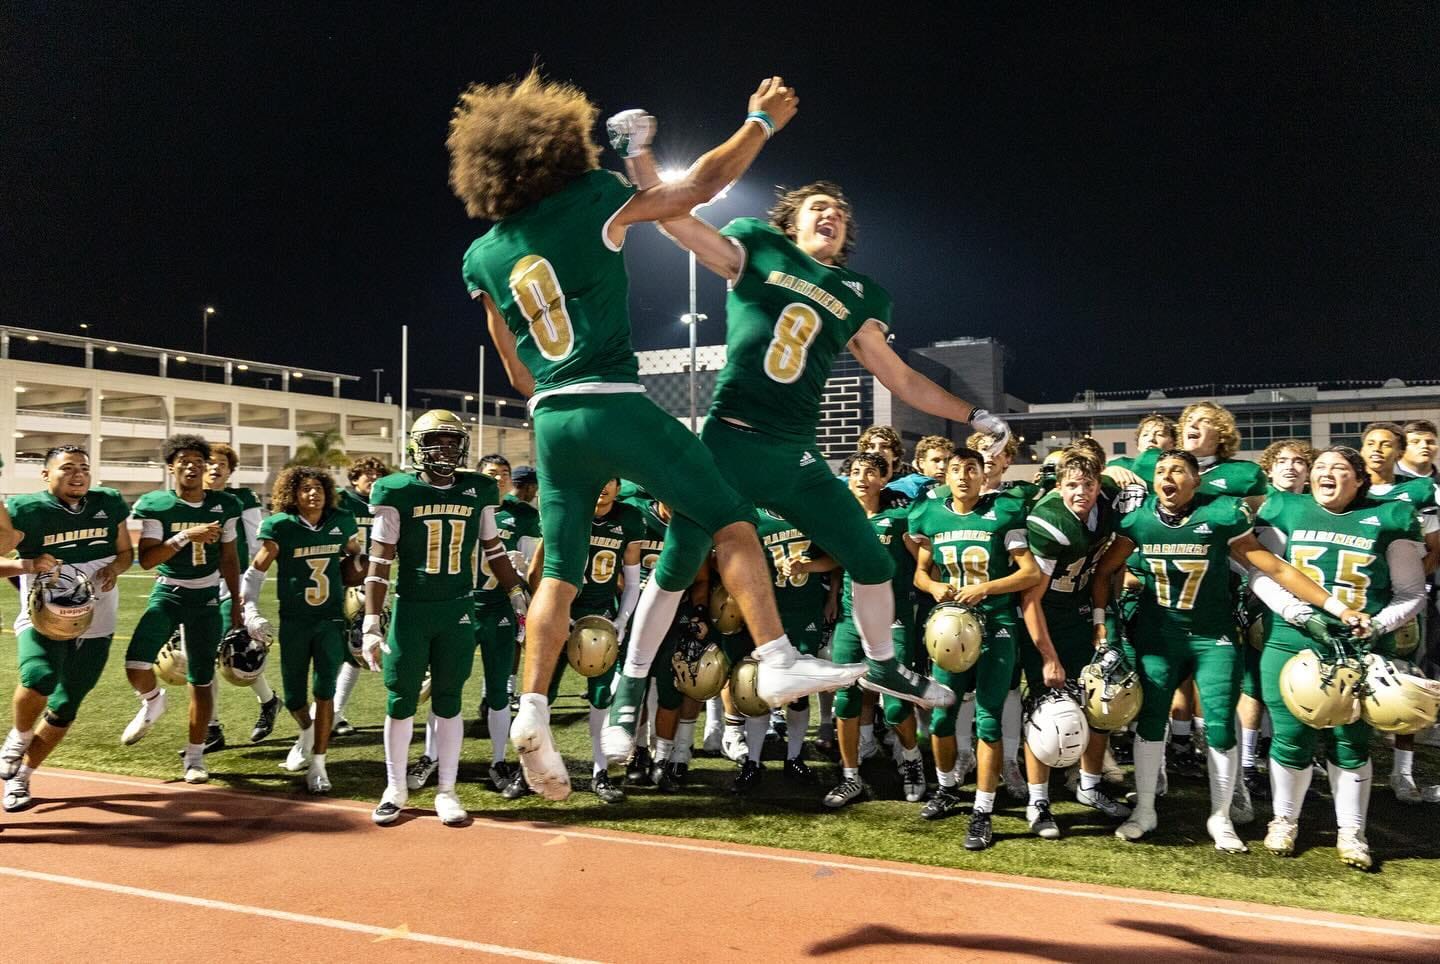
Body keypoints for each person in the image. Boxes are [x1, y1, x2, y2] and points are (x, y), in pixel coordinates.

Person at [451, 71, 860, 802]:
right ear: (555, 149)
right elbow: (699, 187)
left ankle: (533, 707)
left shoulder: (481, 254)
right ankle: (777, 656)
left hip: (550, 419)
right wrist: (761, 121)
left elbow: (514, 370)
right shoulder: (592, 197)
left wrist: (556, 385)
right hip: (614, 400)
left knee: (559, 573)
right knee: (731, 518)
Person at [607, 143, 1018, 765]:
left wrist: (975, 415)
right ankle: (629, 689)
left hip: (795, 453)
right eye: (819, 207)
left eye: (841, 213)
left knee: (869, 558)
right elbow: (674, 219)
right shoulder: (756, 247)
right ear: (790, 221)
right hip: (729, 440)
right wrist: (640, 157)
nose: (833, 215)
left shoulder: (858, 293)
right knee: (679, 560)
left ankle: (884, 665)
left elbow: (901, 378)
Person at [1090, 450, 1363, 851]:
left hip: (1212, 636)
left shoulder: (1220, 515)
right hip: (1159, 636)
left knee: (1219, 724)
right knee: (1150, 720)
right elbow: (1104, 572)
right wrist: (1103, 622)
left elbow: (1275, 567)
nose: (1168, 476)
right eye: (1162, 470)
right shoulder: (1139, 520)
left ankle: (1220, 816)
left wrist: (1336, 608)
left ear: (1196, 481)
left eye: (1178, 471)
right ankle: (1144, 810)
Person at [1250, 446, 1427, 867]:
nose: (1326, 473)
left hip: (1361, 643)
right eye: (1320, 467)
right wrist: (1299, 613)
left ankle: (1352, 830)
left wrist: (1377, 625)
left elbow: (1411, 592)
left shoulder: (1389, 517)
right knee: (1291, 735)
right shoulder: (1286, 508)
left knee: (1351, 740)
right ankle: (1284, 819)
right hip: (1292, 638)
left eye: (1339, 468)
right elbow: (1262, 571)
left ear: (1359, 479)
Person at [360, 411, 527, 825]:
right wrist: (371, 623)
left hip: (457, 608)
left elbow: (494, 550)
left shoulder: (478, 489)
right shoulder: (397, 490)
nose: (447, 450)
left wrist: (517, 594)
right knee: (400, 700)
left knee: (450, 700)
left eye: (454, 442)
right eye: (438, 441)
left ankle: (447, 790)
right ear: (417, 446)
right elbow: (379, 564)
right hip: (412, 609)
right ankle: (394, 787)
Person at [909, 448, 1042, 849]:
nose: (964, 476)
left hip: (996, 625)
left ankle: (983, 810)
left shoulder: (1002, 512)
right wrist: (934, 586)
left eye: (971, 469)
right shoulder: (930, 515)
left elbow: (1030, 573)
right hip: (951, 628)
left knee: (987, 719)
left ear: (984, 475)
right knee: (940, 718)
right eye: (956, 469)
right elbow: (920, 573)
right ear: (946, 476)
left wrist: (986, 588)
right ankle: (947, 788)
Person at [0, 446, 132, 811]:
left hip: (97, 618)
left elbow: (125, 553)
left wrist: (115, 568)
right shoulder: (25, 510)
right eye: (68, 468)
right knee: (39, 676)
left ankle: (22, 778)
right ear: (46, 475)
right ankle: (18, 737)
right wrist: (27, 565)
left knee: (65, 705)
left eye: (84, 468)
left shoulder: (108, 502)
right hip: (43, 614)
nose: (78, 474)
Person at [792, 453, 924, 808]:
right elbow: (835, 559)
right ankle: (850, 776)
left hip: (893, 620)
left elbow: (924, 561)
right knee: (845, 700)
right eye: (855, 472)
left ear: (884, 480)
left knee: (895, 703)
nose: (862, 478)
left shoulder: (899, 519)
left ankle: (911, 758)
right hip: (852, 619)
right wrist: (805, 566)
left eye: (870, 472)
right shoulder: (843, 519)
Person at [1019, 452, 1133, 830]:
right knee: (1047, 710)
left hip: (1079, 612)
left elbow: (1126, 477)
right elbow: (1030, 599)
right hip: (1045, 617)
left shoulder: (1105, 498)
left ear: (1098, 486)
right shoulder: (1049, 522)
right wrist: (1048, 656)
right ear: (1058, 487)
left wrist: (1121, 468)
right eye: (1071, 486)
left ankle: (1089, 785)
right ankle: (1038, 801)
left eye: (1088, 485)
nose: (1080, 492)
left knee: (1099, 702)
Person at [123, 434, 244, 784]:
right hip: (169, 592)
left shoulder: (224, 505)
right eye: (184, 461)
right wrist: (184, 536)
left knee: (201, 680)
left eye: (198, 461)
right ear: (170, 467)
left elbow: (229, 557)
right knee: (136, 663)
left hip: (206, 598)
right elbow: (148, 560)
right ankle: (152, 700)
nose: (192, 466)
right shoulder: (157, 504)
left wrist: (237, 602)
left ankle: (195, 756)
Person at [240, 467, 364, 793]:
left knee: (324, 691)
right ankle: (307, 731)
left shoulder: (341, 521)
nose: (313, 493)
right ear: (292, 494)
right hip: (295, 621)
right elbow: (255, 572)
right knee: (295, 696)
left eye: (318, 488)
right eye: (306, 489)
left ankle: (319, 763)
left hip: (330, 620)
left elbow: (357, 558)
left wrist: (363, 579)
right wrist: (250, 610)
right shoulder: (281, 526)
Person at [523, 479, 645, 803]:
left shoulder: (628, 519)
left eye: (610, 481)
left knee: (600, 698)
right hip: (561, 614)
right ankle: (533, 769)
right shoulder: (568, 510)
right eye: (598, 479)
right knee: (541, 696)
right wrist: (548, 614)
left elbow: (633, 581)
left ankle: (600, 773)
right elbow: (538, 571)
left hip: (600, 618)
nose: (602, 486)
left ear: (618, 486)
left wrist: (621, 621)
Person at [1356, 421, 1440, 803]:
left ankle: (1402, 773)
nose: (1377, 449)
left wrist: (1407, 588)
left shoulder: (1418, 491)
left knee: (1406, 681)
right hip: (1357, 600)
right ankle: (1345, 762)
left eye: (1386, 444)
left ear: (1399, 452)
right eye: (1371, 443)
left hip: (1402, 602)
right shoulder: (1349, 486)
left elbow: (1435, 547)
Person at [204, 442, 280, 749]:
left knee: (228, 651)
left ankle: (212, 728)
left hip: (228, 585)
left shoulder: (242, 498)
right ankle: (267, 702)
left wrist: (246, 591)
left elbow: (257, 543)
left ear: (230, 470)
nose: (215, 467)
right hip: (192, 585)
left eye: (222, 463)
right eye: (209, 461)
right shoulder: (183, 500)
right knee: (199, 657)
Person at [331, 456, 390, 736]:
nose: (374, 479)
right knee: (333, 649)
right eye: (368, 474)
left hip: (372, 585)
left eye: (379, 475)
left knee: (355, 650)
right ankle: (325, 712)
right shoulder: (340, 501)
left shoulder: (387, 502)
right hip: (339, 581)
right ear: (354, 478)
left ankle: (334, 713)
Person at [888, 435, 954, 500]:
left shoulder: (956, 488)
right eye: (936, 460)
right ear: (921, 463)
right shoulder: (907, 486)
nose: (942, 466)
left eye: (947, 461)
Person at [1107, 414, 1177, 474]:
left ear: (1173, 443)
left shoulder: (1179, 470)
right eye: (1145, 435)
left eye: (1159, 434)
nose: (1151, 439)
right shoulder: (1119, 465)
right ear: (1138, 445)